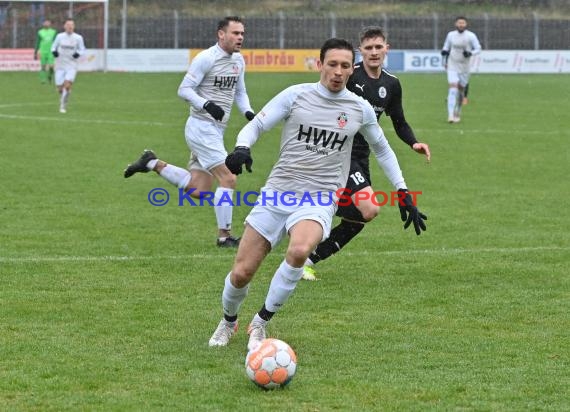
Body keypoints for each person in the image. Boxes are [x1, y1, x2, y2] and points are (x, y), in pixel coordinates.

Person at [208, 38, 427, 351]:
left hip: (320, 197)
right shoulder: (296, 95)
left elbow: (382, 148)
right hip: (279, 193)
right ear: (319, 64)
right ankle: (228, 321)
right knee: (242, 273)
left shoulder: (358, 108)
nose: (338, 72)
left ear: (352, 70)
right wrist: (242, 147)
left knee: (298, 252)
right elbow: (255, 126)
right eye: (332, 64)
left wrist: (402, 190)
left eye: (345, 66)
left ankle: (260, 322)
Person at [302, 26, 430, 281]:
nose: (374, 52)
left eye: (378, 47)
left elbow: (399, 121)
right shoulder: (349, 74)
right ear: (360, 51)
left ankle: (307, 258)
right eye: (368, 48)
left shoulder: (392, 84)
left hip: (361, 156)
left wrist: (413, 143)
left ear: (386, 49)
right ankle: (306, 223)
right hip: (337, 151)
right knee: (368, 208)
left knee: (362, 216)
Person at [123, 16, 255, 248]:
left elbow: (240, 92)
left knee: (199, 189)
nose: (240, 37)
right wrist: (207, 105)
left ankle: (151, 163)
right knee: (228, 178)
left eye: (242, 33)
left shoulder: (238, 61)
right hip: (201, 128)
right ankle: (225, 236)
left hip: (215, 130)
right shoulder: (206, 58)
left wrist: (249, 113)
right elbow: (184, 89)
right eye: (235, 33)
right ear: (221, 34)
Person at [441, 16, 481, 123]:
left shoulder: (471, 36)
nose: (461, 24)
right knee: (453, 88)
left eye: (463, 23)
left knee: (461, 90)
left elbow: (478, 48)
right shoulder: (451, 35)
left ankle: (457, 110)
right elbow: (446, 46)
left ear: (466, 24)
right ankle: (450, 115)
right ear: (456, 24)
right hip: (452, 64)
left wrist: (470, 53)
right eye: (459, 23)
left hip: (464, 67)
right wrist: (444, 52)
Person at [51, 19, 86, 113]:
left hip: (71, 65)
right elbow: (53, 46)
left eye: (72, 25)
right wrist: (54, 52)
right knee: (59, 88)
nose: (70, 26)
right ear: (64, 26)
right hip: (60, 64)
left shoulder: (78, 38)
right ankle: (65, 94)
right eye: (68, 24)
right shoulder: (59, 36)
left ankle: (63, 105)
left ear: (74, 27)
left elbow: (82, 49)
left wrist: (77, 54)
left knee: (67, 85)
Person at [33, 18, 57, 84]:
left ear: (50, 24)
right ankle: (43, 80)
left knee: (51, 66)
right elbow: (37, 42)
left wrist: (56, 50)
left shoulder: (53, 32)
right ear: (43, 24)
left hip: (51, 51)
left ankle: (50, 76)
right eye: (45, 22)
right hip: (43, 51)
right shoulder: (40, 32)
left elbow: (56, 42)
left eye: (48, 22)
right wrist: (35, 52)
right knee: (43, 66)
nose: (46, 24)